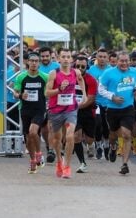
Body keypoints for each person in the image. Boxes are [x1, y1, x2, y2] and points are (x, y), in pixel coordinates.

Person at [46, 48, 87, 178]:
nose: (65, 59)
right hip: (56, 110)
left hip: (71, 109)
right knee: (57, 139)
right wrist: (59, 89)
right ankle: (59, 161)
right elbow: (47, 93)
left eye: (67, 57)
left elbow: (81, 80)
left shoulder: (76, 72)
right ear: (58, 58)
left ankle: (67, 166)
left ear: (71, 59)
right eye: (63, 56)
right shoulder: (53, 74)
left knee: (70, 136)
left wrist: (84, 95)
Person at [98, 52, 136, 175]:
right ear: (117, 61)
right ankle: (113, 146)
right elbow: (100, 89)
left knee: (127, 134)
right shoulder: (108, 73)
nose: (124, 63)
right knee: (113, 135)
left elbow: (135, 84)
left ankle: (124, 164)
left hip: (128, 108)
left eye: (126, 61)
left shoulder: (135, 72)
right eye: (121, 61)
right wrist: (112, 97)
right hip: (112, 109)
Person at [14, 52, 49, 174]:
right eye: (32, 61)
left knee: (33, 131)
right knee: (28, 139)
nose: (34, 63)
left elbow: (48, 92)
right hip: (25, 109)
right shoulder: (21, 77)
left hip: (39, 109)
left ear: (38, 63)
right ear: (27, 62)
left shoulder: (45, 77)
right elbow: (15, 92)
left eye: (36, 61)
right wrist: (20, 95)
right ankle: (33, 160)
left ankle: (39, 153)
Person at [73, 56, 97, 173]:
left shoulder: (91, 80)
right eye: (78, 66)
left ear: (87, 67)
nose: (80, 68)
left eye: (83, 66)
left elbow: (91, 99)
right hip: (73, 112)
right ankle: (82, 162)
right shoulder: (70, 78)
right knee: (76, 136)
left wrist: (78, 106)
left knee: (89, 139)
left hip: (87, 111)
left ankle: (91, 145)